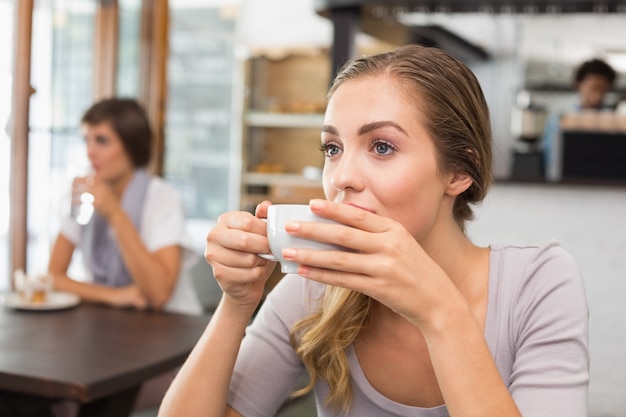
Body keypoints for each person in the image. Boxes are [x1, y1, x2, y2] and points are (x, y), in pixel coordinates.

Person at [158, 45, 589, 417]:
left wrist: (440, 312)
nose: (342, 176)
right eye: (333, 148)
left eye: (382, 146)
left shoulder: (538, 284)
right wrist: (236, 305)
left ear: (459, 172)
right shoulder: (314, 289)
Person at [47, 98, 203, 414]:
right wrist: (116, 296)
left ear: (131, 146)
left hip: (170, 348)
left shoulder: (161, 198)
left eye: (102, 141)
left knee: (85, 401)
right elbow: (53, 278)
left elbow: (157, 293)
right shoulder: (84, 195)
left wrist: (115, 213)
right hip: (106, 337)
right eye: (87, 140)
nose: (90, 151)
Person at [541, 57, 617, 180]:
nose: (597, 95)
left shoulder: (615, 122)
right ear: (579, 85)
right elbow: (550, 160)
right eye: (593, 88)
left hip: (607, 186)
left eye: (603, 90)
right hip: (567, 185)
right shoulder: (560, 119)